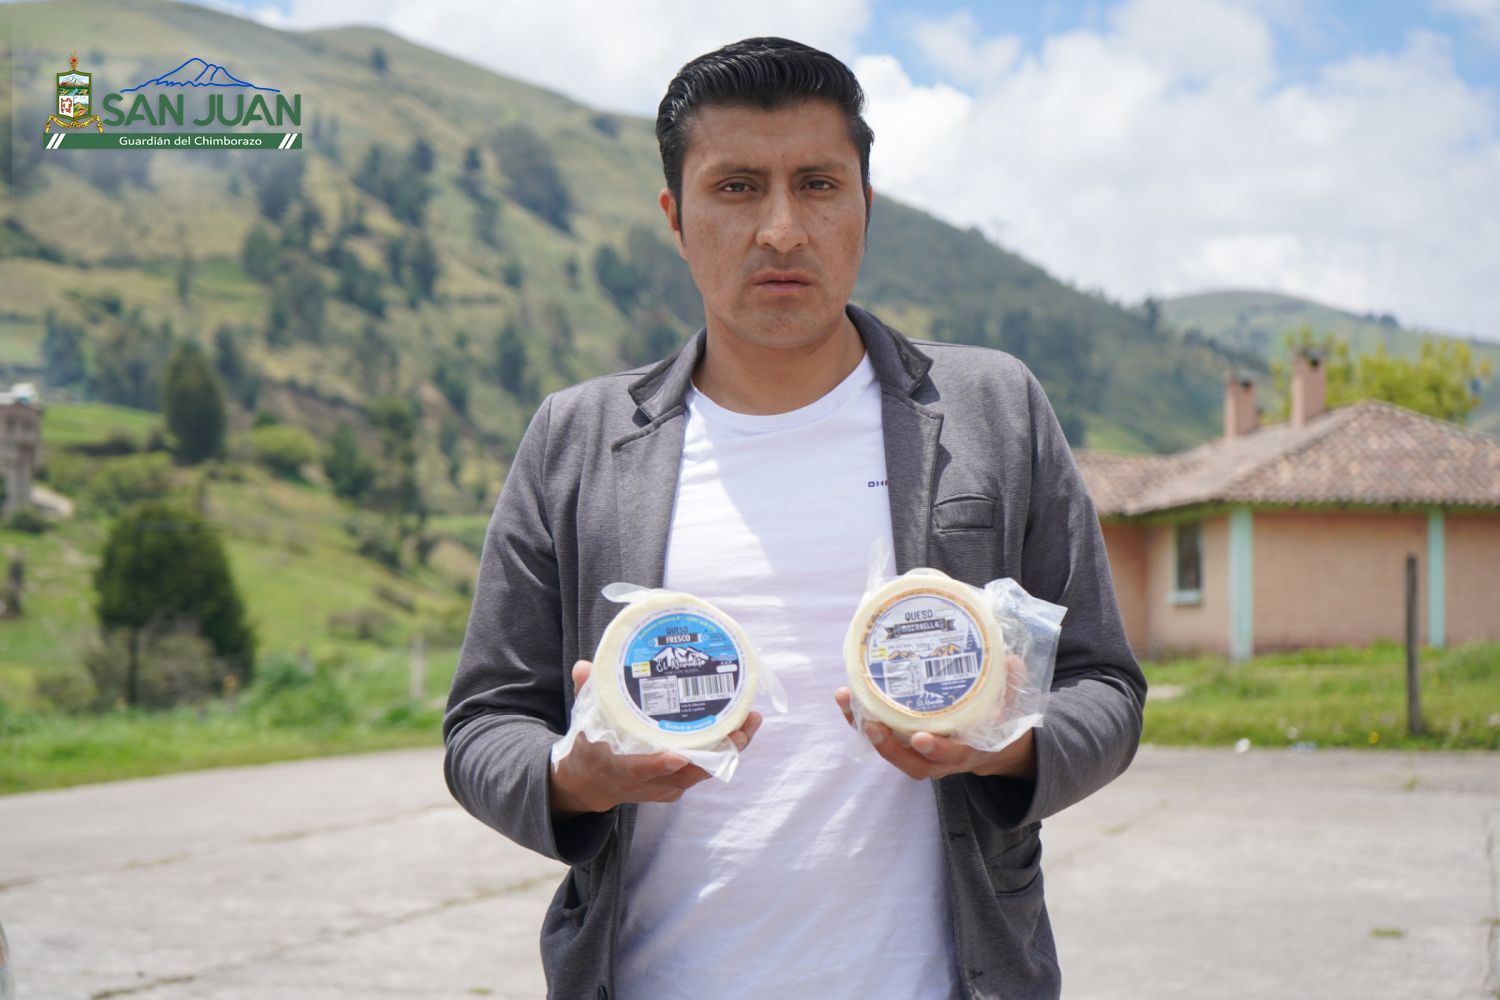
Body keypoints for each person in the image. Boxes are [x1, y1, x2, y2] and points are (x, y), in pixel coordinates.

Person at [443, 36, 1146, 1000]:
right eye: (736, 188)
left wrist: (1008, 744)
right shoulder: (578, 439)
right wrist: (577, 776)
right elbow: (483, 725)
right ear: (675, 218)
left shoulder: (994, 408)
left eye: (817, 185)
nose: (781, 230)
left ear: (865, 206)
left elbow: (1107, 687)